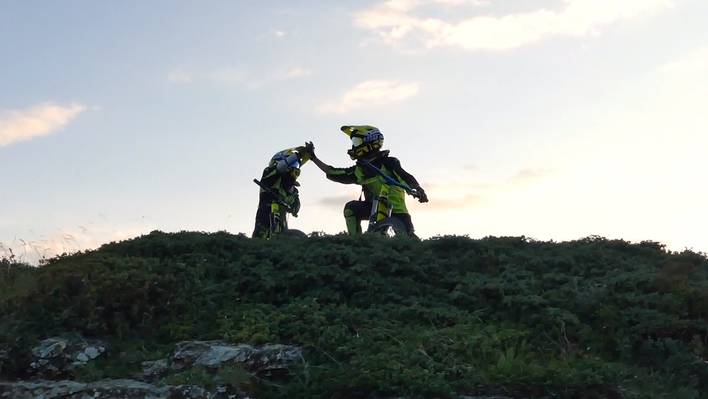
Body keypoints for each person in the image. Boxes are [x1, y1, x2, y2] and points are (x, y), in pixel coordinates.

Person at [306, 125, 428, 236]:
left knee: (409, 241)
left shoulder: (389, 162)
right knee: (351, 208)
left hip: (397, 211)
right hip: (373, 209)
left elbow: (404, 176)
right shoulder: (360, 170)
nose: (354, 146)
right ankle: (357, 243)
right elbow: (334, 172)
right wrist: (313, 158)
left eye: (357, 142)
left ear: (371, 142)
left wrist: (417, 189)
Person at [252, 146, 310, 238]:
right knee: (260, 242)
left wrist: (307, 156)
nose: (295, 170)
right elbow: (280, 168)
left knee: (300, 237)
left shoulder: (293, 190)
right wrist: (298, 156)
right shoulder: (269, 175)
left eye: (296, 167)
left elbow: (296, 208)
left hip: (282, 229)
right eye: (292, 166)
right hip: (264, 224)